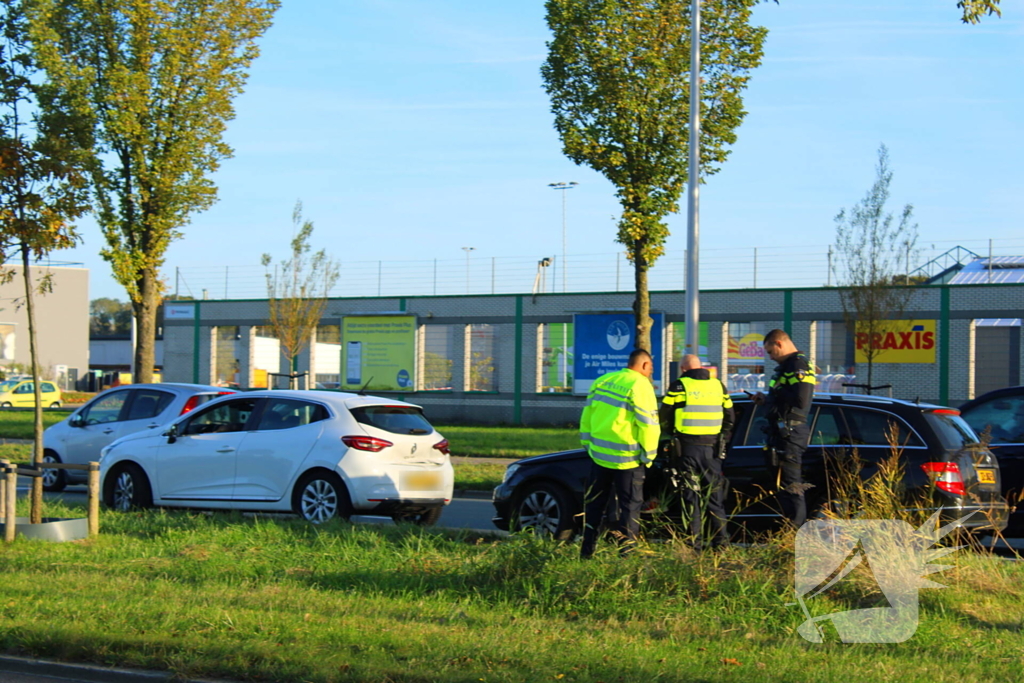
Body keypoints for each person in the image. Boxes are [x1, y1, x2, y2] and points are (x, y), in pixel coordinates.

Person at [579, 349, 660, 558]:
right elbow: (649, 425)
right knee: (629, 511)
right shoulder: (641, 386)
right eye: (651, 368)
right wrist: (648, 456)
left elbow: (587, 414)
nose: (651, 372)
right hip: (628, 460)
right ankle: (626, 557)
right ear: (643, 365)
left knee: (595, 507)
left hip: (599, 457)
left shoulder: (603, 380)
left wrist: (589, 444)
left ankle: (587, 553)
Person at [660, 354, 734, 551]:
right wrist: (721, 438)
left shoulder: (679, 386)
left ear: (684, 369)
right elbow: (730, 417)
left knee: (691, 498)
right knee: (714, 499)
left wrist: (671, 434)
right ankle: (721, 546)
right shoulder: (718, 386)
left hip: (687, 450)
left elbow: (664, 415)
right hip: (712, 452)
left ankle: (694, 547)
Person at [753, 329, 815, 527]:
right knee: (783, 487)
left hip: (791, 433)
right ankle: (788, 530)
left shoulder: (798, 364)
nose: (771, 357)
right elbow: (784, 398)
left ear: (779, 343)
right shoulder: (788, 366)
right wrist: (767, 399)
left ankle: (796, 535)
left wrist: (778, 390)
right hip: (782, 433)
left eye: (771, 352)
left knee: (792, 486)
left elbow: (801, 400)